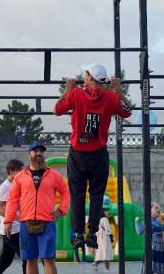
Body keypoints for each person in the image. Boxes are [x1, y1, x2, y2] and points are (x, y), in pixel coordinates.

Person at [54, 64, 131, 250]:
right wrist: (117, 89)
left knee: (77, 194)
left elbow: (57, 109)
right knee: (96, 195)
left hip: (78, 153)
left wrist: (68, 88)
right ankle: (92, 232)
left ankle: (79, 234)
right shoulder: (111, 97)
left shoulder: (76, 94)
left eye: (85, 74)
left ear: (89, 79)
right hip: (98, 154)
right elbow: (127, 111)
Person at [4, 141, 70, 274]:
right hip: (26, 223)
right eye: (35, 150)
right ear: (29, 154)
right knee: (30, 259)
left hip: (46, 222)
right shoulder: (20, 177)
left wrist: (61, 210)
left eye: (41, 150)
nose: (38, 153)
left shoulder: (53, 175)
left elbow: (65, 192)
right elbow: (12, 200)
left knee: (48, 259)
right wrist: (8, 221)